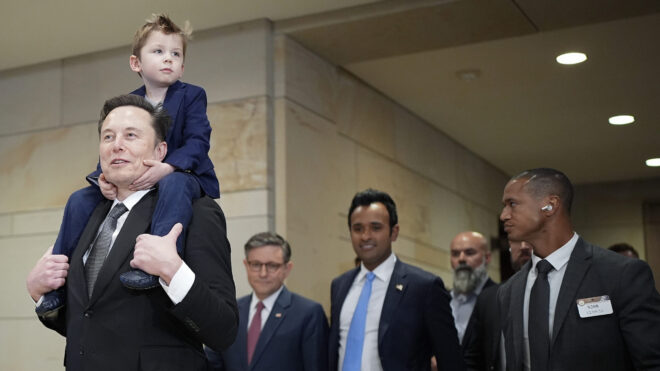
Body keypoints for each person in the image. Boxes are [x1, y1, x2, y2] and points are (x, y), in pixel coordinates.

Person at [26, 95, 238, 371]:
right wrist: (39, 293)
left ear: (160, 151)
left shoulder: (196, 211)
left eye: (131, 135)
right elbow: (91, 322)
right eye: (108, 137)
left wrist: (174, 271)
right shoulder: (88, 213)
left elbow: (223, 331)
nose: (117, 146)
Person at [36, 14, 220, 315]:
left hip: (184, 173)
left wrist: (169, 166)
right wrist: (102, 178)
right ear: (136, 63)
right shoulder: (127, 104)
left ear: (183, 66)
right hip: (139, 176)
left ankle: (152, 263)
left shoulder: (192, 95)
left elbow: (199, 142)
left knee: (175, 185)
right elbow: (113, 143)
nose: (168, 59)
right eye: (158, 52)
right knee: (80, 198)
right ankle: (57, 281)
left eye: (176, 54)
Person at [497, 168, 660, 370]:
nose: (504, 215)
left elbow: (652, 361)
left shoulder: (620, 274)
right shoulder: (509, 290)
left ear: (550, 205)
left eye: (512, 204)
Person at [328, 188, 464, 370]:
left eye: (376, 228)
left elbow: (451, 360)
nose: (365, 236)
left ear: (394, 232)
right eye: (357, 228)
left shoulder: (424, 287)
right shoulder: (339, 285)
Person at [205, 232, 328, 371]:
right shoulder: (229, 312)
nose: (263, 273)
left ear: (287, 269)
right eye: (256, 264)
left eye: (272, 266)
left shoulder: (308, 313)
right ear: (246, 265)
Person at [462, 240, 533, 371]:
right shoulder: (488, 298)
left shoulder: (560, 289)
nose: (523, 246)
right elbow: (473, 358)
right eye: (516, 239)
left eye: (529, 238)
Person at [449, 231, 495, 346]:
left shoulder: (500, 297)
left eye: (469, 253)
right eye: (455, 254)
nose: (461, 259)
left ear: (487, 258)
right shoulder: (443, 299)